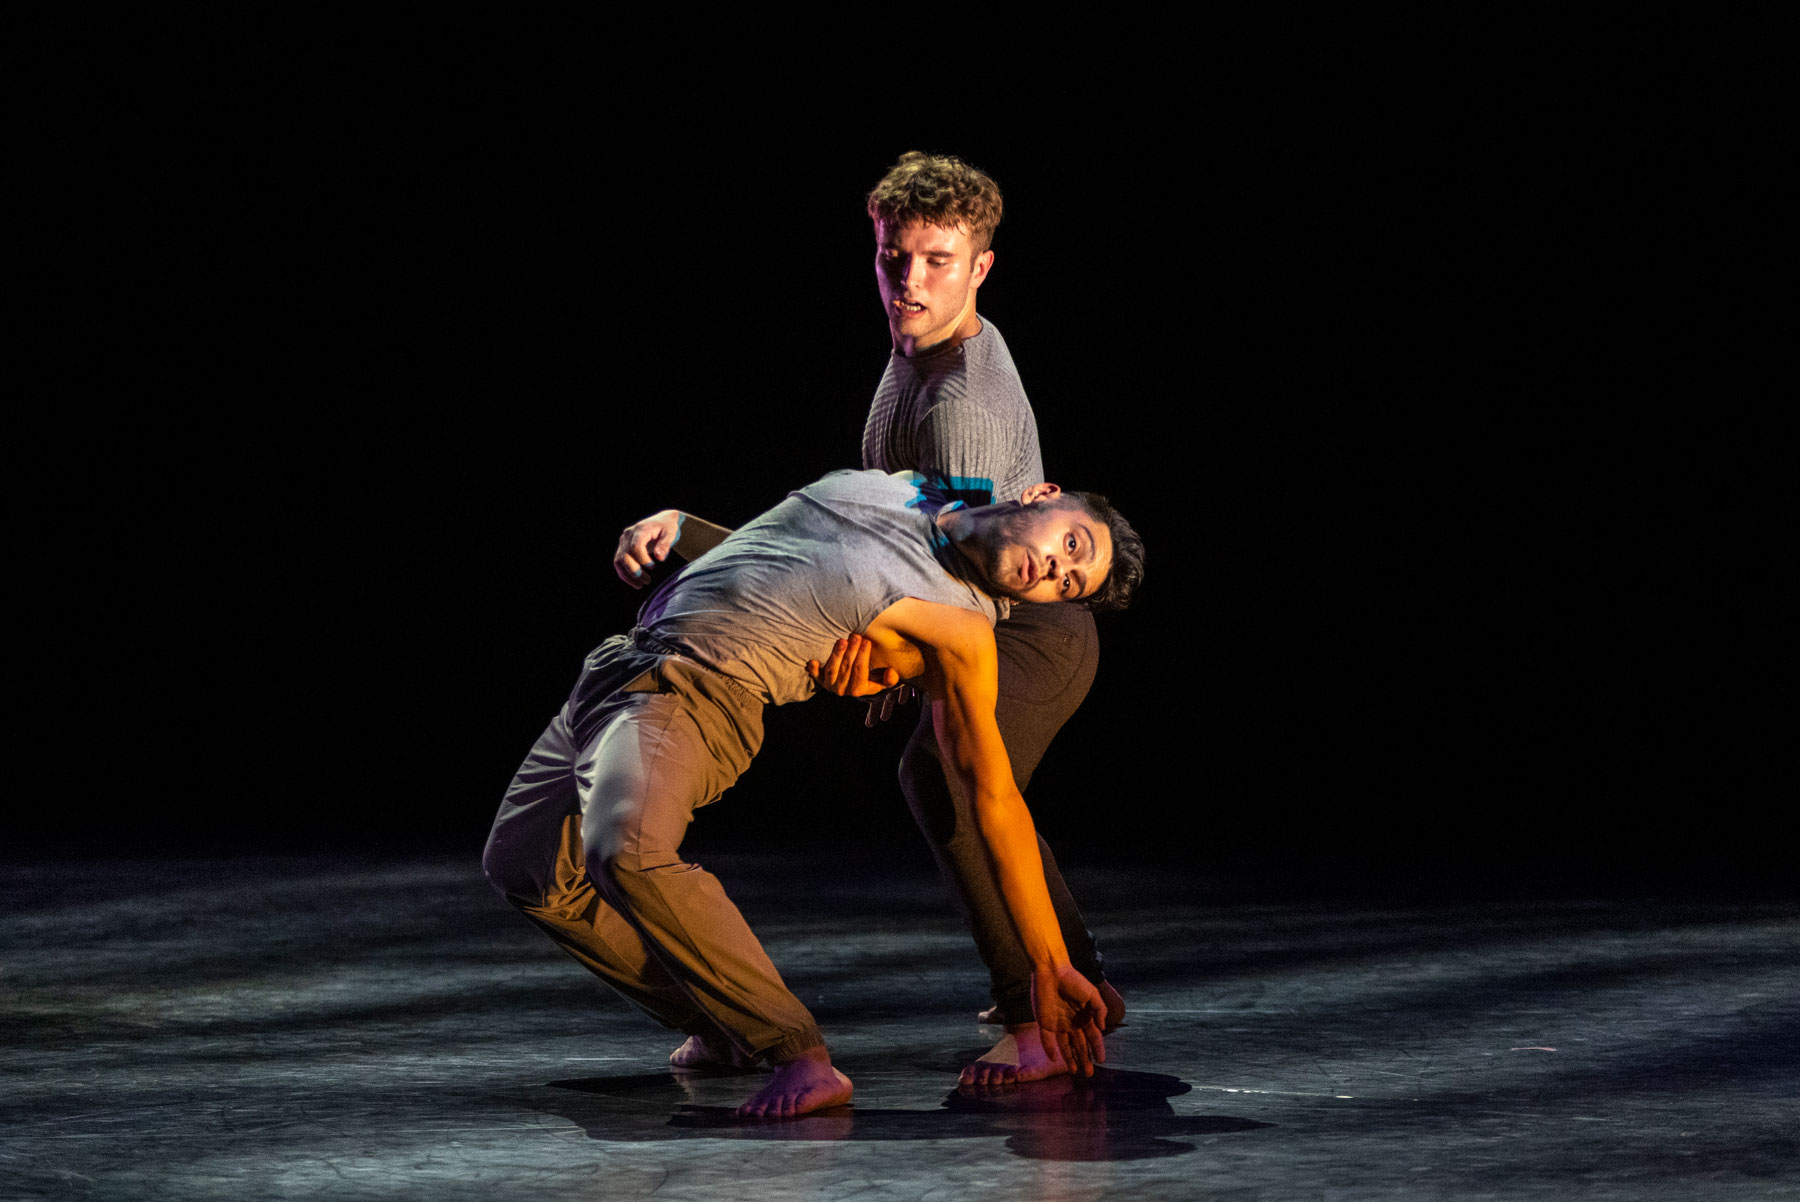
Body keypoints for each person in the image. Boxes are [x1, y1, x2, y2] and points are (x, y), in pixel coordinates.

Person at [621, 152, 1125, 1085]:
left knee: (953, 777)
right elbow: (859, 540)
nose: (912, 282)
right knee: (957, 782)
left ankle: (1037, 1020)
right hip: (980, 614)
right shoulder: (916, 360)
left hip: (1033, 629)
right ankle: (1076, 982)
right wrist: (692, 531)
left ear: (980, 267)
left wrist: (896, 661)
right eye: (897, 257)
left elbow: (954, 577)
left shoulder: (960, 404)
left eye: (940, 261)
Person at [485, 469, 1145, 1118]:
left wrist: (1048, 963)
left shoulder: (960, 629)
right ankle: (721, 1026)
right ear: (1043, 494)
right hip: (616, 669)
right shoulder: (897, 487)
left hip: (693, 695)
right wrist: (682, 527)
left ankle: (798, 1054)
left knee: (626, 849)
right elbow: (777, 555)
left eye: (1067, 581)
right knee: (526, 867)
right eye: (1072, 546)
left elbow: (993, 800)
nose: (1054, 569)